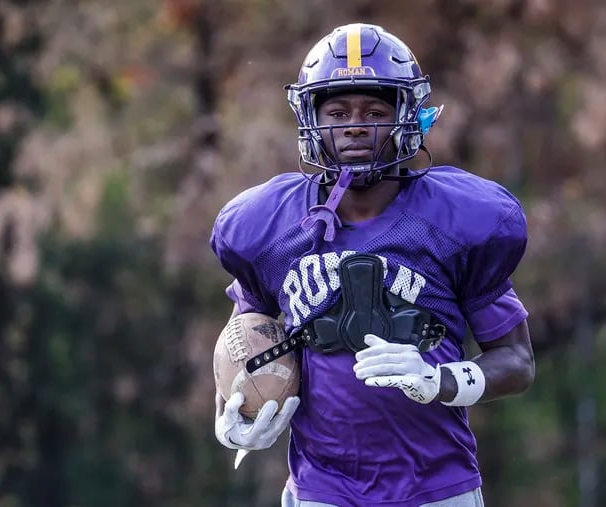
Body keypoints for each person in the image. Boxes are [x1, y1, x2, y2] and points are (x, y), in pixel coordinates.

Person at [210, 23, 535, 507]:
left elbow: (518, 361)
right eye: (338, 111)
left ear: (406, 116)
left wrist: (442, 381)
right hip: (322, 488)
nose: (356, 125)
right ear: (310, 118)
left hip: (436, 488)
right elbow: (245, 340)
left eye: (375, 110)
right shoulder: (272, 224)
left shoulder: (456, 220)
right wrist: (234, 412)